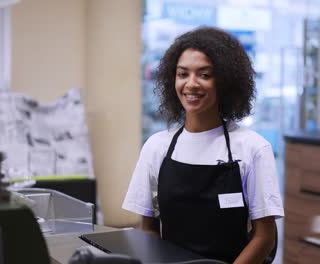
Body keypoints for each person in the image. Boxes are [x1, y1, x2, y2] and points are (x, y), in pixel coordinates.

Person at [122, 26, 284, 264]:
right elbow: (148, 229)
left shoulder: (253, 148)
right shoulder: (157, 147)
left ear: (225, 81)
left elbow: (264, 237)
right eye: (183, 74)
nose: (191, 84)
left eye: (205, 75)